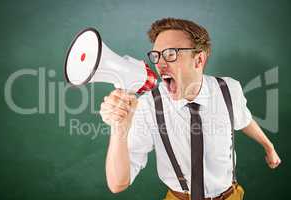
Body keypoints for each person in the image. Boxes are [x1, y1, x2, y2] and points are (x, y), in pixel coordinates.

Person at [100, 18, 281, 200]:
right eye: (156, 55)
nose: (160, 64)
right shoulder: (147, 106)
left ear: (199, 59)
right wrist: (119, 128)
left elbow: (244, 119)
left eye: (170, 53)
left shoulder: (229, 89)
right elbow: (117, 184)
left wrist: (269, 146)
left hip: (230, 196)